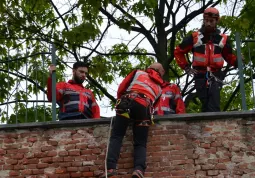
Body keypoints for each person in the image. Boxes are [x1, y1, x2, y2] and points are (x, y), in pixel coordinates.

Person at [101, 63, 165, 178]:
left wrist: (120, 103)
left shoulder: (138, 73)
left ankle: (111, 169)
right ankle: (138, 170)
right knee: (140, 143)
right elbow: (154, 105)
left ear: (150, 68)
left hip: (128, 102)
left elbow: (122, 87)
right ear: (160, 72)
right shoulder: (160, 88)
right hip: (145, 110)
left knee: (117, 136)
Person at [174, 7, 238, 112]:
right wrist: (186, 67)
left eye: (211, 21)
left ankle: (213, 125)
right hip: (200, 74)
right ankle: (207, 125)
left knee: (214, 103)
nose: (208, 23)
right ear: (203, 20)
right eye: (206, 20)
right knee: (205, 103)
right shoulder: (194, 37)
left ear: (217, 21)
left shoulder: (223, 39)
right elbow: (178, 51)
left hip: (216, 75)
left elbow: (229, 56)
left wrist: (237, 61)